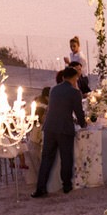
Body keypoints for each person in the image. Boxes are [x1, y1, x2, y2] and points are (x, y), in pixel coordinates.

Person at [31, 67, 86, 197]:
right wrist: (83, 123)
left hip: (49, 127)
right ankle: (66, 185)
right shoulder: (75, 92)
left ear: (63, 77)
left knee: (46, 159)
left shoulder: (54, 90)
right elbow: (79, 112)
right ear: (74, 78)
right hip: (64, 128)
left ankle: (40, 188)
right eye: (76, 78)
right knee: (66, 158)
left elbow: (57, 108)